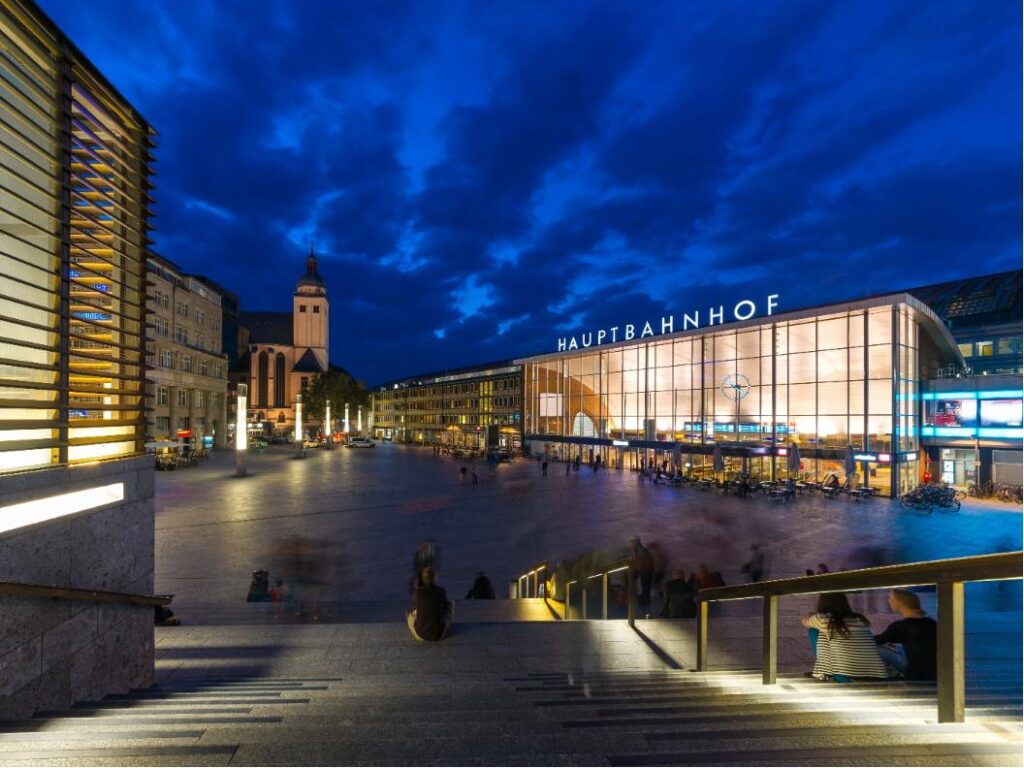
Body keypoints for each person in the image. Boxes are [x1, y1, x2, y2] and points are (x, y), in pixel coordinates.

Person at [801, 592, 887, 681]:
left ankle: (823, 672)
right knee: (825, 632)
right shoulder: (860, 619)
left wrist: (812, 614)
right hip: (877, 676)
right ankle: (824, 672)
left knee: (813, 631)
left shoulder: (823, 619)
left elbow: (805, 621)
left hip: (847, 677)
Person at [874, 589, 937, 680]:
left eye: (890, 598)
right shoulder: (931, 622)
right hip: (933, 670)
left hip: (915, 671)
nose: (888, 601)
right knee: (895, 647)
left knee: (878, 649)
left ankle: (883, 676)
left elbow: (876, 641)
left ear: (899, 602)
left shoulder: (901, 626)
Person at [407, 566, 453, 641]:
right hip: (438, 634)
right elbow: (445, 605)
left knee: (410, 616)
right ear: (435, 578)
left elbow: (418, 605)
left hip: (420, 634)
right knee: (451, 604)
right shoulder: (440, 591)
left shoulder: (418, 593)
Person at [630, 536, 655, 615]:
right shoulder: (641, 550)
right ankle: (645, 606)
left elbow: (640, 563)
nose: (631, 544)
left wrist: (636, 573)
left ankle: (643, 606)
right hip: (647, 571)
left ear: (636, 542)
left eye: (632, 542)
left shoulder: (640, 550)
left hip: (645, 572)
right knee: (645, 589)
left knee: (644, 588)